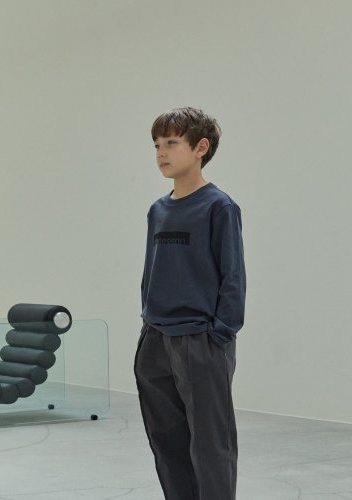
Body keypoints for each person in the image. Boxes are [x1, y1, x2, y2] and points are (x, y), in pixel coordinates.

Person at [134, 106, 246, 500]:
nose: (161, 152)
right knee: (166, 442)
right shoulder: (158, 210)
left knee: (211, 445)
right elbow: (151, 270)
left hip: (201, 340)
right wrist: (148, 320)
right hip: (155, 340)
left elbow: (233, 276)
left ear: (201, 148)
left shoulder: (219, 207)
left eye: (171, 143)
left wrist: (220, 333)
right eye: (156, 145)